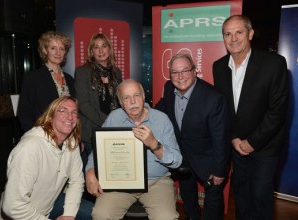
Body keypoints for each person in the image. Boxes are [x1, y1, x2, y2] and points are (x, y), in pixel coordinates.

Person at [213, 15, 289, 220]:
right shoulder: (218, 67)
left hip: (265, 145)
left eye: (239, 32)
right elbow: (223, 108)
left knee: (260, 195)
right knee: (241, 194)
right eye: (227, 34)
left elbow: (277, 111)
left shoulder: (274, 64)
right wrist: (234, 138)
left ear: (251, 33)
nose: (233, 38)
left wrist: (252, 142)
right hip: (236, 143)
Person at [85, 79, 182, 220]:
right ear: (121, 103)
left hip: (156, 182)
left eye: (136, 95)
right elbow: (98, 149)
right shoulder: (114, 118)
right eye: (126, 98)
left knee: (166, 217)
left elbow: (177, 161)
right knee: (101, 215)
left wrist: (154, 144)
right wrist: (90, 170)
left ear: (143, 97)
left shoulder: (161, 119)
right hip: (120, 182)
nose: (132, 101)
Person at [155, 53, 231, 220]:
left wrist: (219, 170)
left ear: (194, 71)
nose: (180, 77)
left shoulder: (214, 98)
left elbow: (221, 139)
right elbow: (162, 108)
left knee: (213, 203)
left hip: (208, 158)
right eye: (174, 72)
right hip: (182, 156)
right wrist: (142, 114)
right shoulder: (169, 88)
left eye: (185, 71)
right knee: (188, 196)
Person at [0, 96, 91, 219]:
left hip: (49, 206)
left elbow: (76, 181)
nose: (70, 116)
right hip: (20, 215)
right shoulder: (29, 148)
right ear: (50, 115)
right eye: (63, 111)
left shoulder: (71, 142)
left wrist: (69, 215)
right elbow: (13, 206)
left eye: (74, 112)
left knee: (92, 212)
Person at [74, 33, 122, 164]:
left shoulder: (116, 72)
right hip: (92, 131)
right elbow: (83, 105)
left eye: (104, 46)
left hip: (115, 130)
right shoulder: (82, 72)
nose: (101, 51)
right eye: (96, 47)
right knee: (95, 171)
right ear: (91, 51)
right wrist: (108, 122)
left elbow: (120, 102)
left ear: (109, 49)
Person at [17, 31, 75, 133]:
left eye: (62, 49)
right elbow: (24, 113)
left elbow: (75, 112)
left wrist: (77, 138)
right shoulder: (33, 78)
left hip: (68, 135)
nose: (58, 52)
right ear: (45, 50)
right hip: (43, 135)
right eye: (53, 48)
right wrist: (36, 136)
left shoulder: (69, 79)